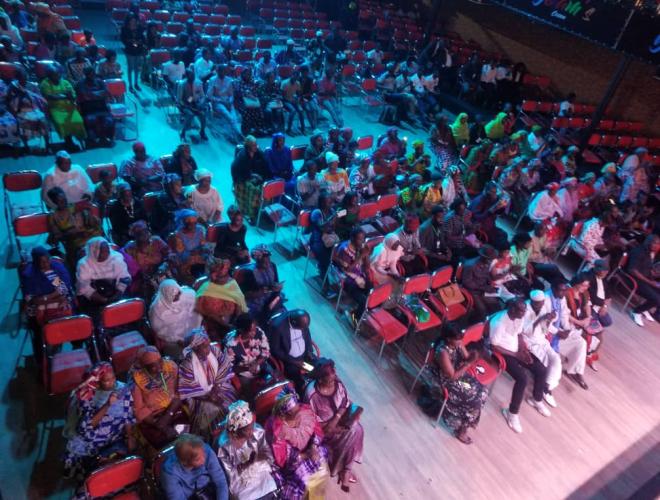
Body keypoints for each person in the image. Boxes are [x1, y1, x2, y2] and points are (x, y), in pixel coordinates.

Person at [417, 322, 487, 444]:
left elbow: (466, 357)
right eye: (457, 339)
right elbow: (452, 376)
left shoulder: (457, 343)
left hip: (459, 377)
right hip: (446, 381)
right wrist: (468, 363)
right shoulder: (442, 352)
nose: (460, 341)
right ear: (448, 339)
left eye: (460, 338)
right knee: (474, 400)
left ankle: (466, 421)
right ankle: (462, 430)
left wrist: (472, 356)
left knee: (483, 391)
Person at [63, 363, 135, 478]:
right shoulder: (87, 394)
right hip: (92, 438)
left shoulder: (122, 388)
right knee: (88, 471)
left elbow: (128, 414)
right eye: (107, 380)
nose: (112, 382)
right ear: (97, 382)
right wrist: (107, 405)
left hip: (114, 435)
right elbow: (87, 426)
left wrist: (129, 436)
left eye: (113, 378)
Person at [490, 298, 551, 434]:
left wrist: (523, 350)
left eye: (524, 310)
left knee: (541, 369)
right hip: (502, 353)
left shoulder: (518, 317)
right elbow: (493, 346)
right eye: (522, 311)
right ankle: (512, 413)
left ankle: (536, 399)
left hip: (516, 350)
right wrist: (516, 355)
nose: (524, 313)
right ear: (512, 309)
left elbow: (518, 334)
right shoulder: (499, 323)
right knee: (522, 379)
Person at [305, 358, 363, 490]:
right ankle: (343, 469)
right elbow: (312, 422)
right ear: (320, 380)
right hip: (322, 430)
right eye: (329, 380)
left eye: (333, 374)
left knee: (355, 429)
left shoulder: (338, 382)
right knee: (355, 431)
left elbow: (344, 402)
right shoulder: (311, 394)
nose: (334, 380)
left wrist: (337, 418)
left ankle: (345, 469)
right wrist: (332, 427)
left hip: (339, 420)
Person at [265, 393, 328, 500]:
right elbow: (283, 458)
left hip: (309, 450)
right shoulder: (278, 428)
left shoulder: (304, 411)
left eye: (298, 405)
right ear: (287, 412)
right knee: (302, 479)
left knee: (322, 466)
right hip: (291, 462)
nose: (299, 408)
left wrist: (313, 447)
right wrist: (306, 455)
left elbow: (315, 431)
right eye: (296, 409)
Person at [177, 329, 236, 440]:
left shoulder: (214, 350)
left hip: (219, 387)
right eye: (204, 347)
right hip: (200, 397)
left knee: (229, 404)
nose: (208, 349)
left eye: (208, 345)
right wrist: (210, 397)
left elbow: (224, 366)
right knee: (213, 410)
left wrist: (216, 388)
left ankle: (234, 430)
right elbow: (189, 389)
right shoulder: (187, 364)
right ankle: (215, 438)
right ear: (195, 348)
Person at [217, 400, 280, 500]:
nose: (251, 431)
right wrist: (244, 466)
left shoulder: (258, 433)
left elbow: (269, 457)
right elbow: (230, 475)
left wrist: (259, 459)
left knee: (270, 488)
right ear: (237, 431)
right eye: (247, 430)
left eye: (252, 427)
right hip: (241, 483)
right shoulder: (225, 446)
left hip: (261, 473)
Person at [19, 246, 74, 360]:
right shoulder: (30, 274)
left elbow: (63, 290)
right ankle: (43, 357)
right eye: (42, 262)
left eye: (47, 260)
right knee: (38, 327)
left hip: (54, 303)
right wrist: (53, 298)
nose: (46, 264)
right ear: (36, 262)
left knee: (64, 316)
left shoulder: (54, 269)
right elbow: (32, 298)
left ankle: (58, 345)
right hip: (39, 306)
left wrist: (47, 298)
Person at [131, 346, 185, 449]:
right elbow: (140, 410)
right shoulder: (136, 381)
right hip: (153, 419)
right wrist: (162, 426)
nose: (159, 368)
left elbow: (180, 392)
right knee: (165, 445)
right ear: (144, 367)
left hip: (175, 409)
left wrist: (167, 417)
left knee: (188, 436)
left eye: (160, 362)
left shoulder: (171, 367)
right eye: (153, 366)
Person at [543, 280, 589, 390]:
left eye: (565, 291)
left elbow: (564, 314)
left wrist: (567, 329)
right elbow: (543, 323)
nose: (564, 293)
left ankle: (575, 371)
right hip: (546, 332)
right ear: (553, 289)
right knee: (555, 361)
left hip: (559, 330)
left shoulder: (561, 297)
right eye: (561, 291)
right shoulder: (545, 299)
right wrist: (558, 332)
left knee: (581, 342)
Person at [522, 290, 563, 409]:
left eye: (542, 302)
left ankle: (546, 388)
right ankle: (540, 392)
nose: (541, 305)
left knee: (556, 359)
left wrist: (549, 320)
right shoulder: (525, 309)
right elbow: (526, 331)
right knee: (544, 361)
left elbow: (545, 329)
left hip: (542, 340)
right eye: (538, 303)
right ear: (532, 301)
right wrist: (541, 318)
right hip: (529, 341)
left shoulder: (543, 308)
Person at [46, 187, 103, 269]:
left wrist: (89, 213)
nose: (64, 202)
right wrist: (70, 233)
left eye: (64, 199)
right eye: (60, 201)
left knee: (102, 245)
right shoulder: (53, 216)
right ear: (54, 202)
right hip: (73, 241)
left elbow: (92, 222)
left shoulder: (75, 207)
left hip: (88, 235)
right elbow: (57, 236)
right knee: (86, 252)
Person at [161, 433, 229, 500]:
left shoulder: (206, 450)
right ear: (185, 462)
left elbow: (221, 482)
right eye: (198, 459)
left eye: (203, 454)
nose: (203, 459)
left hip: (211, 489)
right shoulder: (169, 473)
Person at [195, 258, 248, 339]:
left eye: (218, 273)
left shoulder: (231, 283)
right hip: (211, 327)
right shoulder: (201, 285)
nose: (214, 276)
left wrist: (235, 322)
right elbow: (202, 311)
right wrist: (223, 324)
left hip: (231, 324)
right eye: (212, 272)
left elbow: (239, 304)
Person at [148, 279, 201, 359]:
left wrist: (195, 332)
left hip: (194, 332)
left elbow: (197, 314)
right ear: (167, 295)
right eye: (174, 296)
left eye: (179, 293)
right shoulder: (156, 311)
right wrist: (179, 340)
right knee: (184, 358)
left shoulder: (188, 295)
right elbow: (161, 332)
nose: (178, 297)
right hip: (173, 341)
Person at [268, 309, 318, 392]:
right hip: (290, 360)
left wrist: (309, 351)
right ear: (294, 322)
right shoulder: (277, 327)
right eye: (301, 328)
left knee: (319, 367)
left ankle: (317, 387)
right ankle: (304, 393)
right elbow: (275, 350)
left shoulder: (302, 321)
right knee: (299, 381)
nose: (303, 329)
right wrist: (294, 362)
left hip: (305, 355)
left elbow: (307, 336)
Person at [76, 237, 130, 312]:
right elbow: (85, 288)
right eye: (102, 251)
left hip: (117, 294)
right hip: (94, 298)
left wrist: (116, 296)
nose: (106, 253)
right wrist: (105, 300)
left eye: (107, 250)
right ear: (94, 252)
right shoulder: (83, 264)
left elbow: (124, 277)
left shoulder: (116, 257)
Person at [224, 313, 273, 395]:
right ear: (242, 330)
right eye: (251, 331)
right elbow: (230, 367)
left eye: (254, 329)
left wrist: (256, 363)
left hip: (261, 365)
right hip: (244, 373)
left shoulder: (259, 332)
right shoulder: (231, 344)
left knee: (274, 382)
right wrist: (248, 368)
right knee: (253, 394)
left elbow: (266, 351)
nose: (254, 332)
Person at [122, 220, 170, 296]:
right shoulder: (130, 247)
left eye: (145, 230)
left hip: (163, 273)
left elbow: (169, 253)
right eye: (139, 232)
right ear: (134, 235)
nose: (143, 234)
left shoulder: (156, 240)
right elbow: (127, 266)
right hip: (144, 281)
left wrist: (164, 265)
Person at [6, 66, 49, 150]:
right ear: (17, 78)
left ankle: (47, 145)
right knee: (22, 121)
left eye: (25, 77)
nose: (24, 79)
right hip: (20, 110)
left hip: (34, 109)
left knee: (43, 120)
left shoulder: (31, 86)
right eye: (21, 77)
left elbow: (40, 98)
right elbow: (9, 100)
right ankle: (26, 146)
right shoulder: (13, 87)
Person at [334, 227, 373, 320]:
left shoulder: (359, 248)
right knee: (364, 301)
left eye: (363, 239)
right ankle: (354, 317)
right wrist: (361, 256)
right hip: (345, 278)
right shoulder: (344, 249)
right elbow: (348, 269)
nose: (362, 242)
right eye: (359, 239)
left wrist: (366, 254)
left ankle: (356, 309)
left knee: (371, 290)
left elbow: (367, 266)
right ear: (352, 238)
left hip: (358, 276)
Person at [242, 245, 285, 324]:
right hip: (256, 304)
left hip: (271, 299)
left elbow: (276, 282)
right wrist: (268, 289)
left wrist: (278, 287)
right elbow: (247, 295)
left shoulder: (272, 266)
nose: (267, 264)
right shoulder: (250, 272)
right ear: (257, 261)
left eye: (268, 259)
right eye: (264, 261)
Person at [231, 136, 270, 222]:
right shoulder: (243, 156)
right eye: (253, 145)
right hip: (240, 179)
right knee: (254, 190)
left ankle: (258, 208)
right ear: (248, 146)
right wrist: (254, 176)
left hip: (250, 175)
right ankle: (250, 214)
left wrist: (259, 176)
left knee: (264, 186)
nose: (256, 146)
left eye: (256, 144)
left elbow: (264, 163)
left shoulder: (257, 152)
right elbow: (243, 173)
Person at [168, 209, 210, 285]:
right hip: (187, 262)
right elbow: (181, 254)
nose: (192, 225)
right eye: (189, 223)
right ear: (183, 222)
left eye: (194, 223)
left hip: (201, 258)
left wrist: (204, 250)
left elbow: (204, 245)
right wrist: (196, 253)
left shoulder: (200, 229)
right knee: (196, 273)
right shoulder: (178, 234)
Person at [583, 260, 611, 371]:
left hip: (600, 307)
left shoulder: (604, 280)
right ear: (596, 269)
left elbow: (608, 297)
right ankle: (589, 354)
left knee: (608, 321)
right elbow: (591, 298)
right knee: (599, 333)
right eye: (603, 270)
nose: (605, 273)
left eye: (606, 271)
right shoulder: (588, 277)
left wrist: (605, 306)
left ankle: (591, 348)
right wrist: (601, 305)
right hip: (590, 307)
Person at [75, 66, 115, 144]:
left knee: (109, 120)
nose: (91, 76)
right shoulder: (80, 84)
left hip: (102, 108)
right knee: (91, 120)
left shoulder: (100, 81)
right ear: (85, 74)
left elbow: (106, 92)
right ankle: (91, 139)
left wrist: (91, 95)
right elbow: (83, 96)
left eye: (92, 74)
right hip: (88, 109)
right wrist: (99, 94)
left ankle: (104, 138)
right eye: (89, 74)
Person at [626, 234, 660, 326]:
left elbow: (646, 270)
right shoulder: (639, 251)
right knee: (657, 299)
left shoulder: (649, 254)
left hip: (644, 280)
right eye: (656, 243)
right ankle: (636, 311)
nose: (658, 246)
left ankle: (644, 308)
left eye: (658, 244)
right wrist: (650, 282)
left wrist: (654, 275)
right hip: (634, 280)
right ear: (649, 242)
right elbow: (632, 270)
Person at [461, 245, 502, 321]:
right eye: (489, 259)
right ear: (483, 257)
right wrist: (484, 288)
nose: (491, 261)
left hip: (484, 288)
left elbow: (486, 275)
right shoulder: (470, 265)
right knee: (483, 310)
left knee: (496, 306)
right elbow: (467, 282)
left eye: (491, 259)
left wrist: (489, 282)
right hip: (473, 291)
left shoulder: (487, 263)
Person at [207, 64, 243, 143]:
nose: (223, 73)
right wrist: (221, 101)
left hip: (228, 102)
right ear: (218, 71)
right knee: (228, 116)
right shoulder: (212, 80)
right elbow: (209, 96)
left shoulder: (229, 80)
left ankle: (235, 135)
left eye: (224, 71)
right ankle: (238, 135)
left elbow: (231, 94)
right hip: (218, 103)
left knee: (234, 117)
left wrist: (229, 102)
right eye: (221, 71)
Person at [310, 192, 339, 280]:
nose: (331, 204)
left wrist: (335, 219)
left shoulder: (332, 211)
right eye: (328, 202)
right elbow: (323, 228)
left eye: (331, 202)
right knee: (326, 258)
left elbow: (333, 227)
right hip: (317, 240)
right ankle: (324, 280)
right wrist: (332, 219)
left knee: (338, 253)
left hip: (329, 238)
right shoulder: (316, 213)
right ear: (322, 203)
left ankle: (335, 276)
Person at [150, 173, 189, 239]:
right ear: (169, 186)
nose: (180, 186)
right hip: (166, 227)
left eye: (180, 184)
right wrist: (182, 205)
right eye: (177, 184)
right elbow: (170, 214)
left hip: (180, 224)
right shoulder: (163, 197)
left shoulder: (180, 196)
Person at [177, 68, 208, 141]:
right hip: (185, 104)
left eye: (193, 75)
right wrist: (186, 105)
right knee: (190, 115)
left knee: (203, 115)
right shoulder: (182, 84)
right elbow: (179, 99)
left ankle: (202, 131)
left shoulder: (198, 83)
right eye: (191, 76)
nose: (193, 77)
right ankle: (183, 132)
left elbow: (202, 96)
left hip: (195, 103)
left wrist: (200, 103)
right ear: (187, 76)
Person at [234, 68, 265, 136]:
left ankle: (257, 129)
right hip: (240, 100)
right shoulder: (237, 81)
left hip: (251, 100)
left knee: (259, 109)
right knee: (247, 110)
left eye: (250, 74)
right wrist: (248, 94)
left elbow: (255, 91)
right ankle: (246, 130)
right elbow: (239, 92)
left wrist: (252, 95)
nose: (248, 75)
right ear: (243, 74)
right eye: (247, 74)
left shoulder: (252, 81)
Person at [419, 205, 451, 270]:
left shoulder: (440, 224)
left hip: (438, 251)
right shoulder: (424, 228)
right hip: (429, 256)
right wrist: (438, 256)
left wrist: (448, 251)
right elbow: (421, 249)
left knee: (454, 261)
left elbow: (442, 241)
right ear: (433, 217)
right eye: (439, 217)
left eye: (443, 217)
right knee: (443, 268)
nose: (442, 219)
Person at [120, 14, 146, 92]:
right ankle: (130, 85)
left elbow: (143, 37)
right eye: (132, 20)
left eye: (134, 20)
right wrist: (131, 42)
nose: (133, 22)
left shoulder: (139, 27)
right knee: (130, 67)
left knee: (137, 68)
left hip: (139, 49)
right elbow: (123, 39)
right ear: (128, 21)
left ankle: (136, 83)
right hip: (130, 49)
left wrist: (139, 42)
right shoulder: (124, 29)